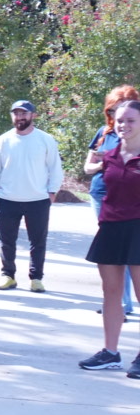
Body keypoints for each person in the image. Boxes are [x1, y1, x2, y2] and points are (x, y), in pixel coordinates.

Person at [79, 99, 140, 375]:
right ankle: (110, 353)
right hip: (111, 228)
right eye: (120, 120)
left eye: (130, 120)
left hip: (138, 229)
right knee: (111, 293)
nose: (124, 125)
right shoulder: (111, 155)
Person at [0, 100, 63, 292]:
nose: (20, 117)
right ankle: (8, 275)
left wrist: (51, 193)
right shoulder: (2, 141)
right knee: (6, 241)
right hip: (7, 200)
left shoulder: (45, 140)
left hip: (38, 200)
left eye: (24, 113)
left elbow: (55, 168)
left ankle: (36, 278)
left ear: (33, 116)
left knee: (38, 242)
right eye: (16, 113)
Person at [82, 88, 138, 315]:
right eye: (116, 110)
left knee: (131, 255)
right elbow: (88, 167)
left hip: (134, 202)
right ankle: (121, 303)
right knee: (115, 256)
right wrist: (106, 162)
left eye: (126, 107)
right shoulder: (104, 133)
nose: (120, 117)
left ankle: (126, 302)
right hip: (103, 195)